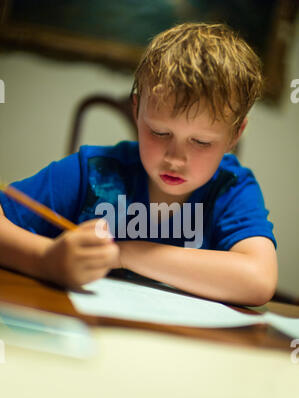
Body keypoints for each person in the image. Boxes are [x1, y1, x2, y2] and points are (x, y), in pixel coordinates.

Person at [0, 23, 278, 306]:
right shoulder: (94, 172)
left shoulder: (231, 189)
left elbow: (259, 279)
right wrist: (46, 259)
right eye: (159, 132)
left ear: (235, 134)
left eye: (201, 142)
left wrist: (125, 253)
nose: (175, 158)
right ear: (137, 109)